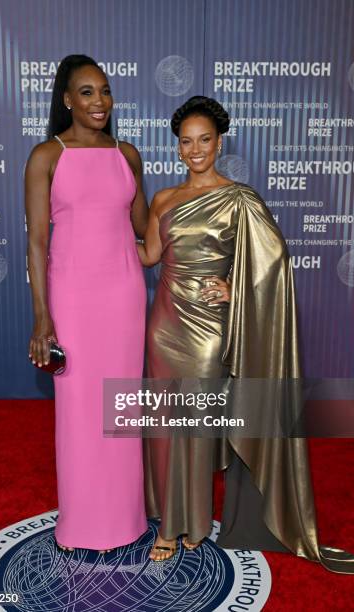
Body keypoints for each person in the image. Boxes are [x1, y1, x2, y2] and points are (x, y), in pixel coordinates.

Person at [137, 95, 354, 573]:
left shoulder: (239, 199)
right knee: (164, 426)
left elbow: (273, 264)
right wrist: (95, 232)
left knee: (193, 425)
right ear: (177, 146)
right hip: (164, 326)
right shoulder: (163, 200)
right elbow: (149, 255)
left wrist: (235, 290)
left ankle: (189, 525)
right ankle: (166, 524)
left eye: (204, 141)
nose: (195, 151)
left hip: (208, 331)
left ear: (219, 142)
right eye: (186, 142)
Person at [25, 54, 148, 553]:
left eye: (105, 91)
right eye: (88, 92)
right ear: (66, 100)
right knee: (78, 412)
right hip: (72, 298)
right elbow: (36, 241)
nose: (101, 102)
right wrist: (42, 317)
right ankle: (80, 524)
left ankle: (126, 519)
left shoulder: (127, 154)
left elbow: (146, 229)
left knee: (121, 406)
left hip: (124, 296)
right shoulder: (45, 156)